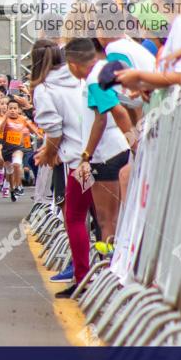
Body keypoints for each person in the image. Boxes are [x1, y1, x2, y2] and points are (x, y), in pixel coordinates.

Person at [65, 38, 133, 268]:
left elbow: (112, 115)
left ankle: (110, 270)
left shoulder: (94, 79)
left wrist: (86, 155)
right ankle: (110, 267)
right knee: (109, 219)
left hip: (106, 155)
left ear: (73, 64)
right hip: (112, 152)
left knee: (106, 221)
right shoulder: (105, 71)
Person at [30, 39, 89, 291]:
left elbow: (54, 130)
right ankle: (104, 269)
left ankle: (81, 273)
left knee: (73, 216)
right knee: (101, 218)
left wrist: (47, 153)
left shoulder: (44, 89)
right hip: (100, 153)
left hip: (75, 160)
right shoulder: (80, 78)